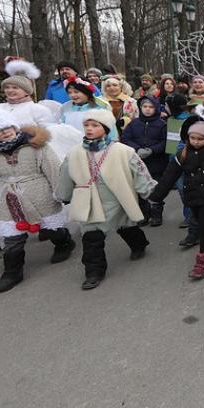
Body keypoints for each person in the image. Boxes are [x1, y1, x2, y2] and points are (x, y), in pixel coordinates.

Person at [55, 109, 154, 290]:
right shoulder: (75, 153)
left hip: (117, 199)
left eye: (95, 125)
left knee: (126, 226)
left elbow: (140, 172)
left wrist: (148, 191)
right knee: (91, 237)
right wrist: (64, 195)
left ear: (106, 128)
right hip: (89, 201)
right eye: (86, 125)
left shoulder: (123, 151)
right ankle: (94, 271)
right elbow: (65, 175)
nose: (89, 129)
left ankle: (139, 244)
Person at [149, 111, 204, 280]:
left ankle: (202, 261)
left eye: (200, 138)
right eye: (192, 138)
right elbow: (169, 175)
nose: (195, 141)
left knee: (202, 226)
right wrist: (156, 196)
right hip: (193, 195)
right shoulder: (183, 154)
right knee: (203, 224)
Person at [0, 112, 76, 292]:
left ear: (14, 127)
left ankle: (64, 242)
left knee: (51, 228)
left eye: (6, 129)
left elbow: (53, 167)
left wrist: (61, 191)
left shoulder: (36, 145)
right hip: (8, 198)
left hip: (39, 194)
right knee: (12, 237)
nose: (3, 133)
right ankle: (12, 271)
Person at [120, 96, 168, 227]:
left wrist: (152, 150)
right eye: (145, 107)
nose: (147, 109)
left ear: (156, 108)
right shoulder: (134, 123)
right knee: (140, 188)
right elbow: (125, 138)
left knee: (156, 188)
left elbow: (165, 142)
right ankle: (144, 214)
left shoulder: (162, 124)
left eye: (151, 107)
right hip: (137, 161)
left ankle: (156, 214)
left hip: (156, 162)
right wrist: (136, 149)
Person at [0, 59, 54, 126]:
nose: (10, 90)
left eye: (15, 88)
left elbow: (49, 132)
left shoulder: (38, 109)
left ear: (26, 92)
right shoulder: (0, 107)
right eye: (7, 87)